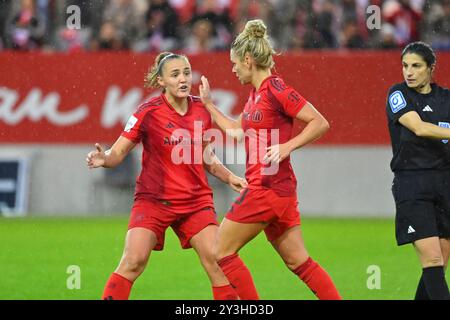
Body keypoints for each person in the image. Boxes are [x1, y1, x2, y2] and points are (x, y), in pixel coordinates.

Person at [198, 19, 342, 300]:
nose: (233, 68)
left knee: (220, 252)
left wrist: (288, 145)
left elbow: (319, 122)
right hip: (280, 191)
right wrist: (208, 104)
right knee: (299, 262)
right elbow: (236, 131)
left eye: (235, 63)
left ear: (248, 60)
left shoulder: (276, 89)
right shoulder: (255, 96)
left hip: (266, 189)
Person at [86, 52, 248, 300]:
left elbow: (206, 156)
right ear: (161, 81)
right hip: (154, 201)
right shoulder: (147, 112)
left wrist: (229, 177)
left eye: (186, 73)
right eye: (175, 75)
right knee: (134, 260)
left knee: (217, 263)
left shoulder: (202, 111)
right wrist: (105, 158)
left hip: (195, 202)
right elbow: (118, 152)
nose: (183, 79)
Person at [386, 41, 450, 300]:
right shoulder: (398, 94)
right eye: (405, 66)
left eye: (416, 66)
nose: (409, 72)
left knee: (440, 261)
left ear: (431, 68)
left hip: (445, 183)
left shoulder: (446, 98)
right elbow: (420, 127)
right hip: (412, 184)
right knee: (432, 258)